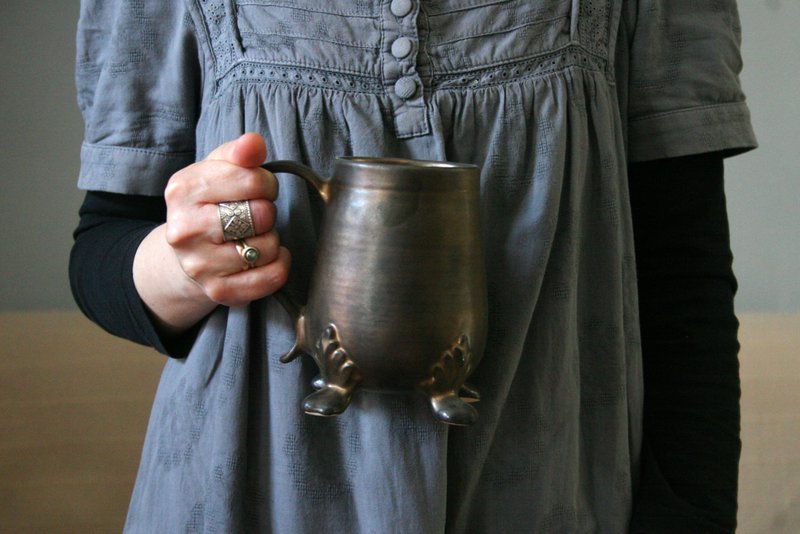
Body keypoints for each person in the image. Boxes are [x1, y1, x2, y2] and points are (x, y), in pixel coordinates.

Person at [70, 1, 756, 532]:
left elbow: (682, 274)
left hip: (554, 498)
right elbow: (101, 248)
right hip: (240, 500)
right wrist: (184, 266)